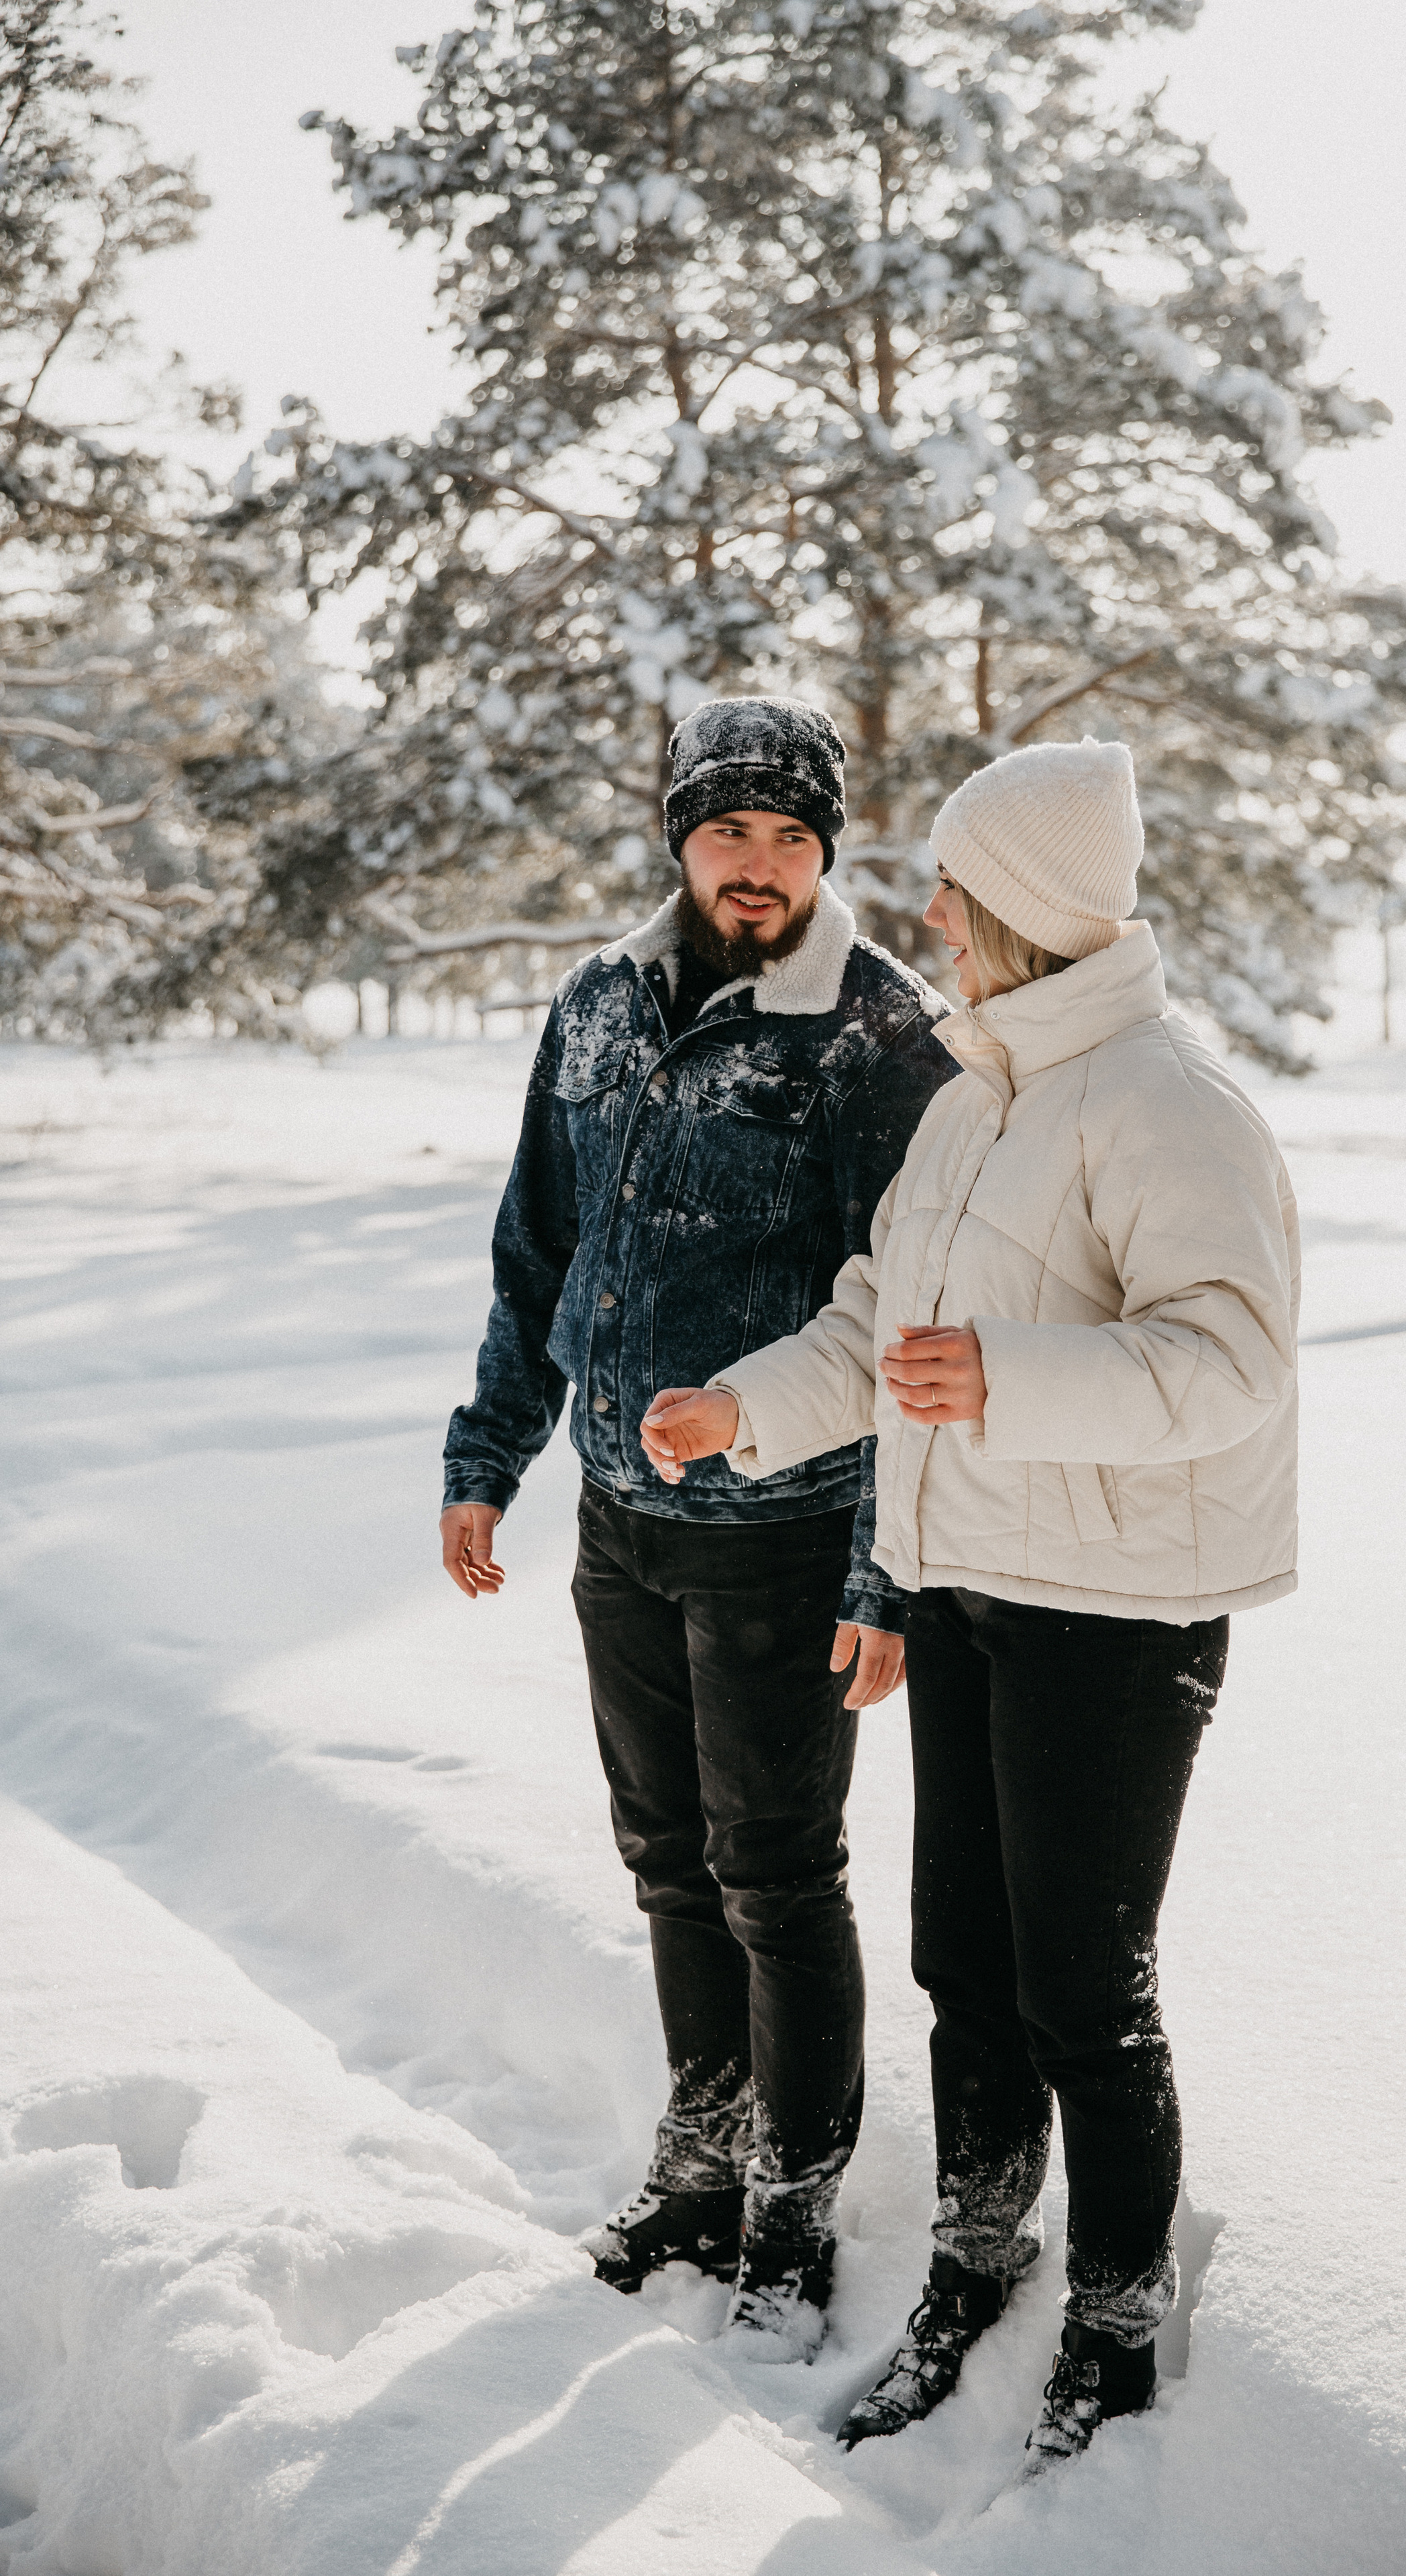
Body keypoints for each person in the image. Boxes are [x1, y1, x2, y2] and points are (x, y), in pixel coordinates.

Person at [640, 736, 1299, 2469]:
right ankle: (972, 2261)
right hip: (974, 1589)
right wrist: (744, 1407)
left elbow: (1231, 1363)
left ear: (1024, 906)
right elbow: (879, 1328)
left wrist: (999, 1374)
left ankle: (1117, 2315)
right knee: (966, 1966)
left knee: (1086, 1981)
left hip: (1120, 1611)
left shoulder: (1170, 1103)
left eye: (954, 887)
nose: (925, 913)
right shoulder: (971, 1097)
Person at [439, 696, 954, 2359]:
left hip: (782, 1534)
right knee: (666, 1860)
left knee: (777, 1876)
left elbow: (907, 1325)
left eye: (794, 840)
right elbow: (538, 1252)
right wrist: (487, 1453)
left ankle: (794, 2202)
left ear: (827, 855)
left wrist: (882, 1568)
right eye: (733, 832)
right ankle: (700, 2157)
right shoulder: (598, 1007)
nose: (761, 868)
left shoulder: (877, 1037)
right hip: (617, 1521)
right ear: (680, 837)